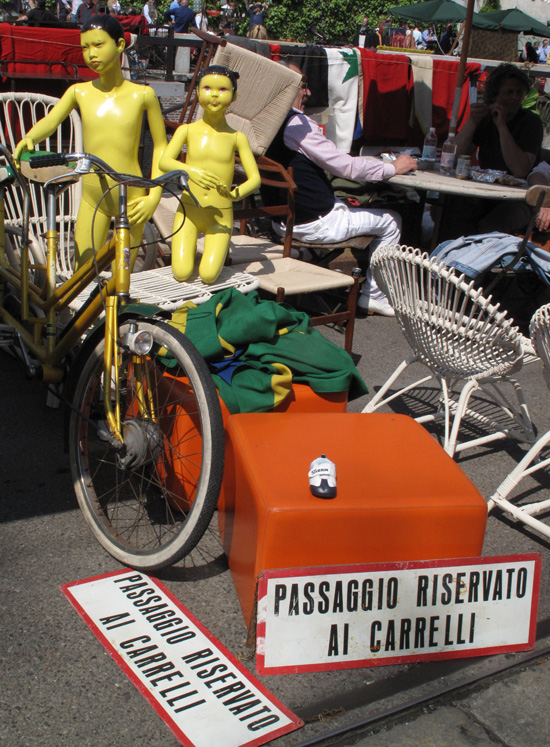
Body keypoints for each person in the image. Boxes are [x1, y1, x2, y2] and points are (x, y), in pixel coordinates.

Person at [261, 63, 417, 317]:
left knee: (348, 201)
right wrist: (393, 168)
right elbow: (346, 168)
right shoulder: (297, 124)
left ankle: (306, 260)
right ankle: (373, 296)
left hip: (282, 221)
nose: (308, 92)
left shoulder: (263, 119)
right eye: (303, 85)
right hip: (315, 223)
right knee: (392, 219)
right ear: (287, 87)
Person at [14, 14, 167, 271]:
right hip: (91, 195)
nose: (91, 54)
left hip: (131, 195)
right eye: (85, 47)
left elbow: (162, 146)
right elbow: (51, 121)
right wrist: (30, 137)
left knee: (123, 274)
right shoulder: (79, 92)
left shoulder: (143, 95)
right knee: (83, 270)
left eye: (98, 45)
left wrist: (155, 194)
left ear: (119, 45)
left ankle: (118, 311)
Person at [159, 65, 261, 284]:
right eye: (207, 88)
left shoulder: (236, 137)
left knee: (208, 275)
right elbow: (165, 162)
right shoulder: (186, 131)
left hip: (221, 216)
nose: (214, 94)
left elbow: (255, 179)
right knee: (181, 272)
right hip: (189, 211)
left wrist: (236, 194)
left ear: (234, 96)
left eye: (223, 90)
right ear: (197, 92)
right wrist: (190, 171)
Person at [439, 63, 543, 241]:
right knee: (450, 209)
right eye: (508, 92)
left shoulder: (530, 123)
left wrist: (502, 127)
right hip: (486, 191)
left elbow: (520, 170)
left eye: (519, 92)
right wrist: (472, 121)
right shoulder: (485, 120)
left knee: (491, 226)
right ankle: (446, 259)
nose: (515, 97)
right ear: (494, 96)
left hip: (519, 199)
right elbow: (452, 157)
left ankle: (477, 264)